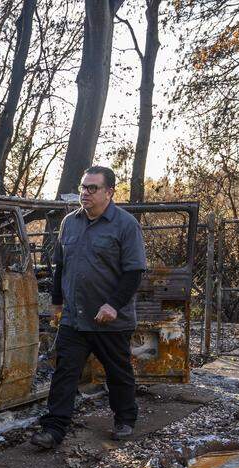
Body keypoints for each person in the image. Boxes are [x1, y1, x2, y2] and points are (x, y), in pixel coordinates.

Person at [30, 166, 147, 449]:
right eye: (83, 187)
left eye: (92, 188)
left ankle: (124, 419)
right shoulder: (70, 223)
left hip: (109, 319)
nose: (85, 193)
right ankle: (54, 429)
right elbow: (61, 267)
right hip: (75, 317)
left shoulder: (126, 225)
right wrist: (57, 302)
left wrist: (113, 305)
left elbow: (134, 272)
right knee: (65, 372)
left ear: (109, 192)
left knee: (118, 372)